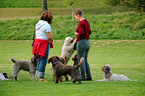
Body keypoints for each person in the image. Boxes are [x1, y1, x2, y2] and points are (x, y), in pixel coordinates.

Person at [32, 10, 53, 82]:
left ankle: (38, 74)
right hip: (43, 43)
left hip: (37, 42)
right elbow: (49, 37)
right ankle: (41, 78)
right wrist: (52, 40)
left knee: (39, 59)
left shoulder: (38, 23)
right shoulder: (47, 25)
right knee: (43, 60)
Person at [74, 8, 92, 81]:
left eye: (75, 16)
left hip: (81, 42)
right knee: (85, 60)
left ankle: (83, 77)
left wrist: (77, 33)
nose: (75, 18)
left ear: (78, 15)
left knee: (80, 60)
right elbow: (89, 32)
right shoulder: (86, 22)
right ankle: (89, 76)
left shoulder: (81, 23)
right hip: (87, 42)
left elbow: (81, 32)